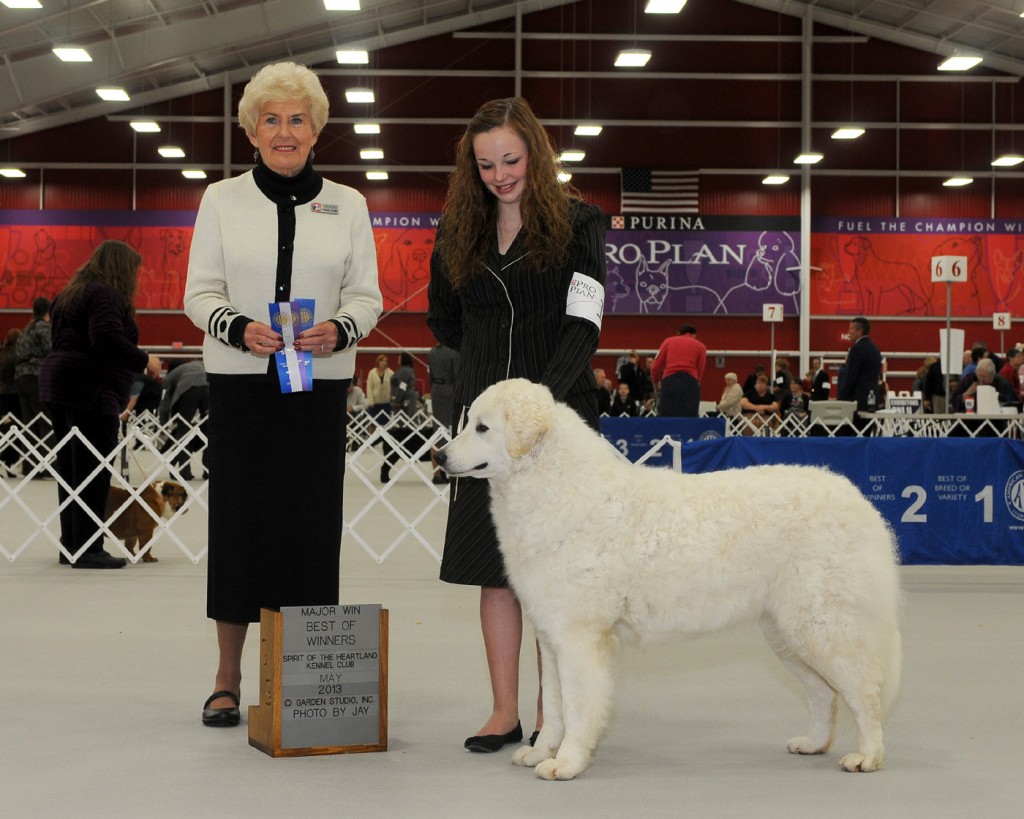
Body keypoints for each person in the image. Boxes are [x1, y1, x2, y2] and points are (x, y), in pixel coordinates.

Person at [183, 61, 382, 728]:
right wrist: (238, 327)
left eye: (297, 118)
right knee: (238, 525)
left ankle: (304, 679)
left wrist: (340, 329)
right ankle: (227, 676)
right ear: (252, 130)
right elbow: (198, 292)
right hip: (240, 385)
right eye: (271, 119)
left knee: (309, 528)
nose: (285, 130)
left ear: (318, 129)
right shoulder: (219, 199)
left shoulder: (350, 204)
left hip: (318, 386)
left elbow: (367, 296)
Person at [427, 96, 605, 753]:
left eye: (511, 159)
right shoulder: (457, 230)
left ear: (535, 152)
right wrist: (486, 385)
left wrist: (541, 400)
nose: (501, 174)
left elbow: (584, 322)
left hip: (558, 416)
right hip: (482, 431)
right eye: (486, 165)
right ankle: (503, 710)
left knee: (556, 576)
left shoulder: (583, 223)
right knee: (492, 567)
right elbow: (443, 318)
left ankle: (551, 712)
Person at [38, 240, 161, 568]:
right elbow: (106, 340)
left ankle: (72, 545)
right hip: (89, 389)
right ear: (122, 269)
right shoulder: (106, 294)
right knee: (93, 472)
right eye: (135, 271)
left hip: (59, 383)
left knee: (71, 472)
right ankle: (90, 548)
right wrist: (144, 359)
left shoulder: (71, 293)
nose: (137, 278)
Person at [15, 296, 52, 476]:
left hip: (21, 378)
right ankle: (48, 466)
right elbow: (51, 350)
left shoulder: (26, 329)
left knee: (28, 424)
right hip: (38, 377)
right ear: (48, 311)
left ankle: (30, 467)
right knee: (46, 421)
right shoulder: (43, 328)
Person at [158, 359, 209, 481]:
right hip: (208, 386)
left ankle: (184, 471)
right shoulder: (201, 365)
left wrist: (163, 425)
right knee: (209, 431)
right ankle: (208, 471)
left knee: (183, 430)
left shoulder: (171, 375)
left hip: (188, 390)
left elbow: (165, 404)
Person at [650, 323, 707, 417]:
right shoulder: (701, 346)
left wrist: (656, 384)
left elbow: (655, 367)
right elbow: (700, 370)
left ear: (678, 333)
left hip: (669, 382)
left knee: (667, 416)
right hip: (690, 382)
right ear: (694, 335)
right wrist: (696, 382)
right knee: (689, 417)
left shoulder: (668, 342)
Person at [837, 316, 882, 425]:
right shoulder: (875, 349)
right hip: (872, 400)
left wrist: (841, 398)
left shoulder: (856, 349)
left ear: (859, 331)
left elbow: (851, 376)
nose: (848, 332)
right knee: (866, 434)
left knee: (854, 435)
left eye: (851, 329)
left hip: (857, 401)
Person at [429, 343, 460, 484]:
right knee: (449, 431)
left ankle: (436, 473)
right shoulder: (454, 352)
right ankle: (450, 471)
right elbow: (456, 375)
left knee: (437, 431)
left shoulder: (432, 352)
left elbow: (431, 375)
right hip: (449, 393)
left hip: (436, 391)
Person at [951, 358, 1016, 412]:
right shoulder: (969, 379)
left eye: (984, 377)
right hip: (969, 419)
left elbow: (1010, 403)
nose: (981, 379)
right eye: (979, 376)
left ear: (992, 375)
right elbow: (954, 400)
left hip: (996, 420)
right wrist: (967, 393)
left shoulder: (1002, 383)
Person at [0, 328, 23, 476]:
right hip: (11, 397)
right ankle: (7, 461)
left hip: (3, 396)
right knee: (14, 431)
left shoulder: (3, 354)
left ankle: (6, 463)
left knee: (6, 431)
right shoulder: (15, 356)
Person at [365, 353, 393, 423]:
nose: (384, 363)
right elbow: (369, 388)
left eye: (385, 361)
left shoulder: (391, 373)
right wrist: (370, 401)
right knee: (374, 423)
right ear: (378, 362)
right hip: (374, 403)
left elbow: (393, 386)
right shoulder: (372, 373)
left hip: (386, 402)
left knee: (386, 423)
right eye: (382, 361)